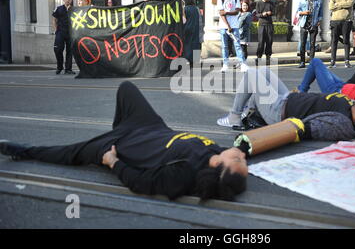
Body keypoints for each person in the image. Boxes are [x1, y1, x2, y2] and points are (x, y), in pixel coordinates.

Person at [0, 81, 247, 201]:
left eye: (237, 158)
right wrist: (245, 148)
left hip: (122, 147)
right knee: (127, 88)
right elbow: (241, 151)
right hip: (149, 126)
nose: (240, 155)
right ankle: (118, 127)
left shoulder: (183, 175)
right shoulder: (218, 152)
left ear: (219, 167)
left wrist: (113, 162)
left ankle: (24, 151)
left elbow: (140, 182)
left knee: (69, 153)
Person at [216, 67, 355, 139]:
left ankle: (235, 116)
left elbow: (312, 130)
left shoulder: (342, 123)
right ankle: (252, 110)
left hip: (279, 111)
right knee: (264, 70)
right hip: (288, 98)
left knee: (252, 74)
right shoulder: (350, 106)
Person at [217, 0, 248, 73]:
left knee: (237, 45)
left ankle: (242, 64)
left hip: (235, 26)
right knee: (225, 46)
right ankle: (225, 64)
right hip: (224, 26)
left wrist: (227, 12)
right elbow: (221, 14)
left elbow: (237, 11)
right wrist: (228, 26)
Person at [329, 0, 355, 68]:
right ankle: (332, 61)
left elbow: (350, 3)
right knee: (334, 41)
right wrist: (343, 4)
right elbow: (330, 6)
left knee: (346, 41)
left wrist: (338, 4)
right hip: (335, 20)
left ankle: (347, 61)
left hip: (346, 20)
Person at [296, 0, 323, 68]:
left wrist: (319, 21)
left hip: (313, 24)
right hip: (304, 24)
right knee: (303, 43)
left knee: (312, 44)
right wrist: (304, 12)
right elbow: (297, 12)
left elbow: (321, 14)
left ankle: (311, 63)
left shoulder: (319, 1)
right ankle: (302, 62)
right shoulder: (302, 0)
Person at [52, 0, 75, 75]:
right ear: (63, 0)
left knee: (70, 51)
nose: (67, 1)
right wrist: (55, 30)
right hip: (60, 32)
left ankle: (68, 69)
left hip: (71, 33)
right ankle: (59, 67)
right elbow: (54, 19)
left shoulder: (74, 9)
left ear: (71, 0)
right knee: (57, 50)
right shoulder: (59, 8)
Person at [255, 0, 275, 64]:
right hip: (261, 24)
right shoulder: (259, 3)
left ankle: (268, 56)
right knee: (261, 41)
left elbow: (274, 12)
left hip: (269, 24)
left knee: (269, 41)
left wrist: (270, 13)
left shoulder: (271, 3)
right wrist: (263, 14)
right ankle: (259, 56)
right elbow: (257, 14)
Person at [183, 0, 201, 65]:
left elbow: (183, 20)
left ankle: (188, 59)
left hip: (187, 29)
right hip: (196, 29)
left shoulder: (184, 9)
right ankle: (195, 61)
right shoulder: (197, 8)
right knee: (195, 45)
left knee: (187, 45)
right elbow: (200, 20)